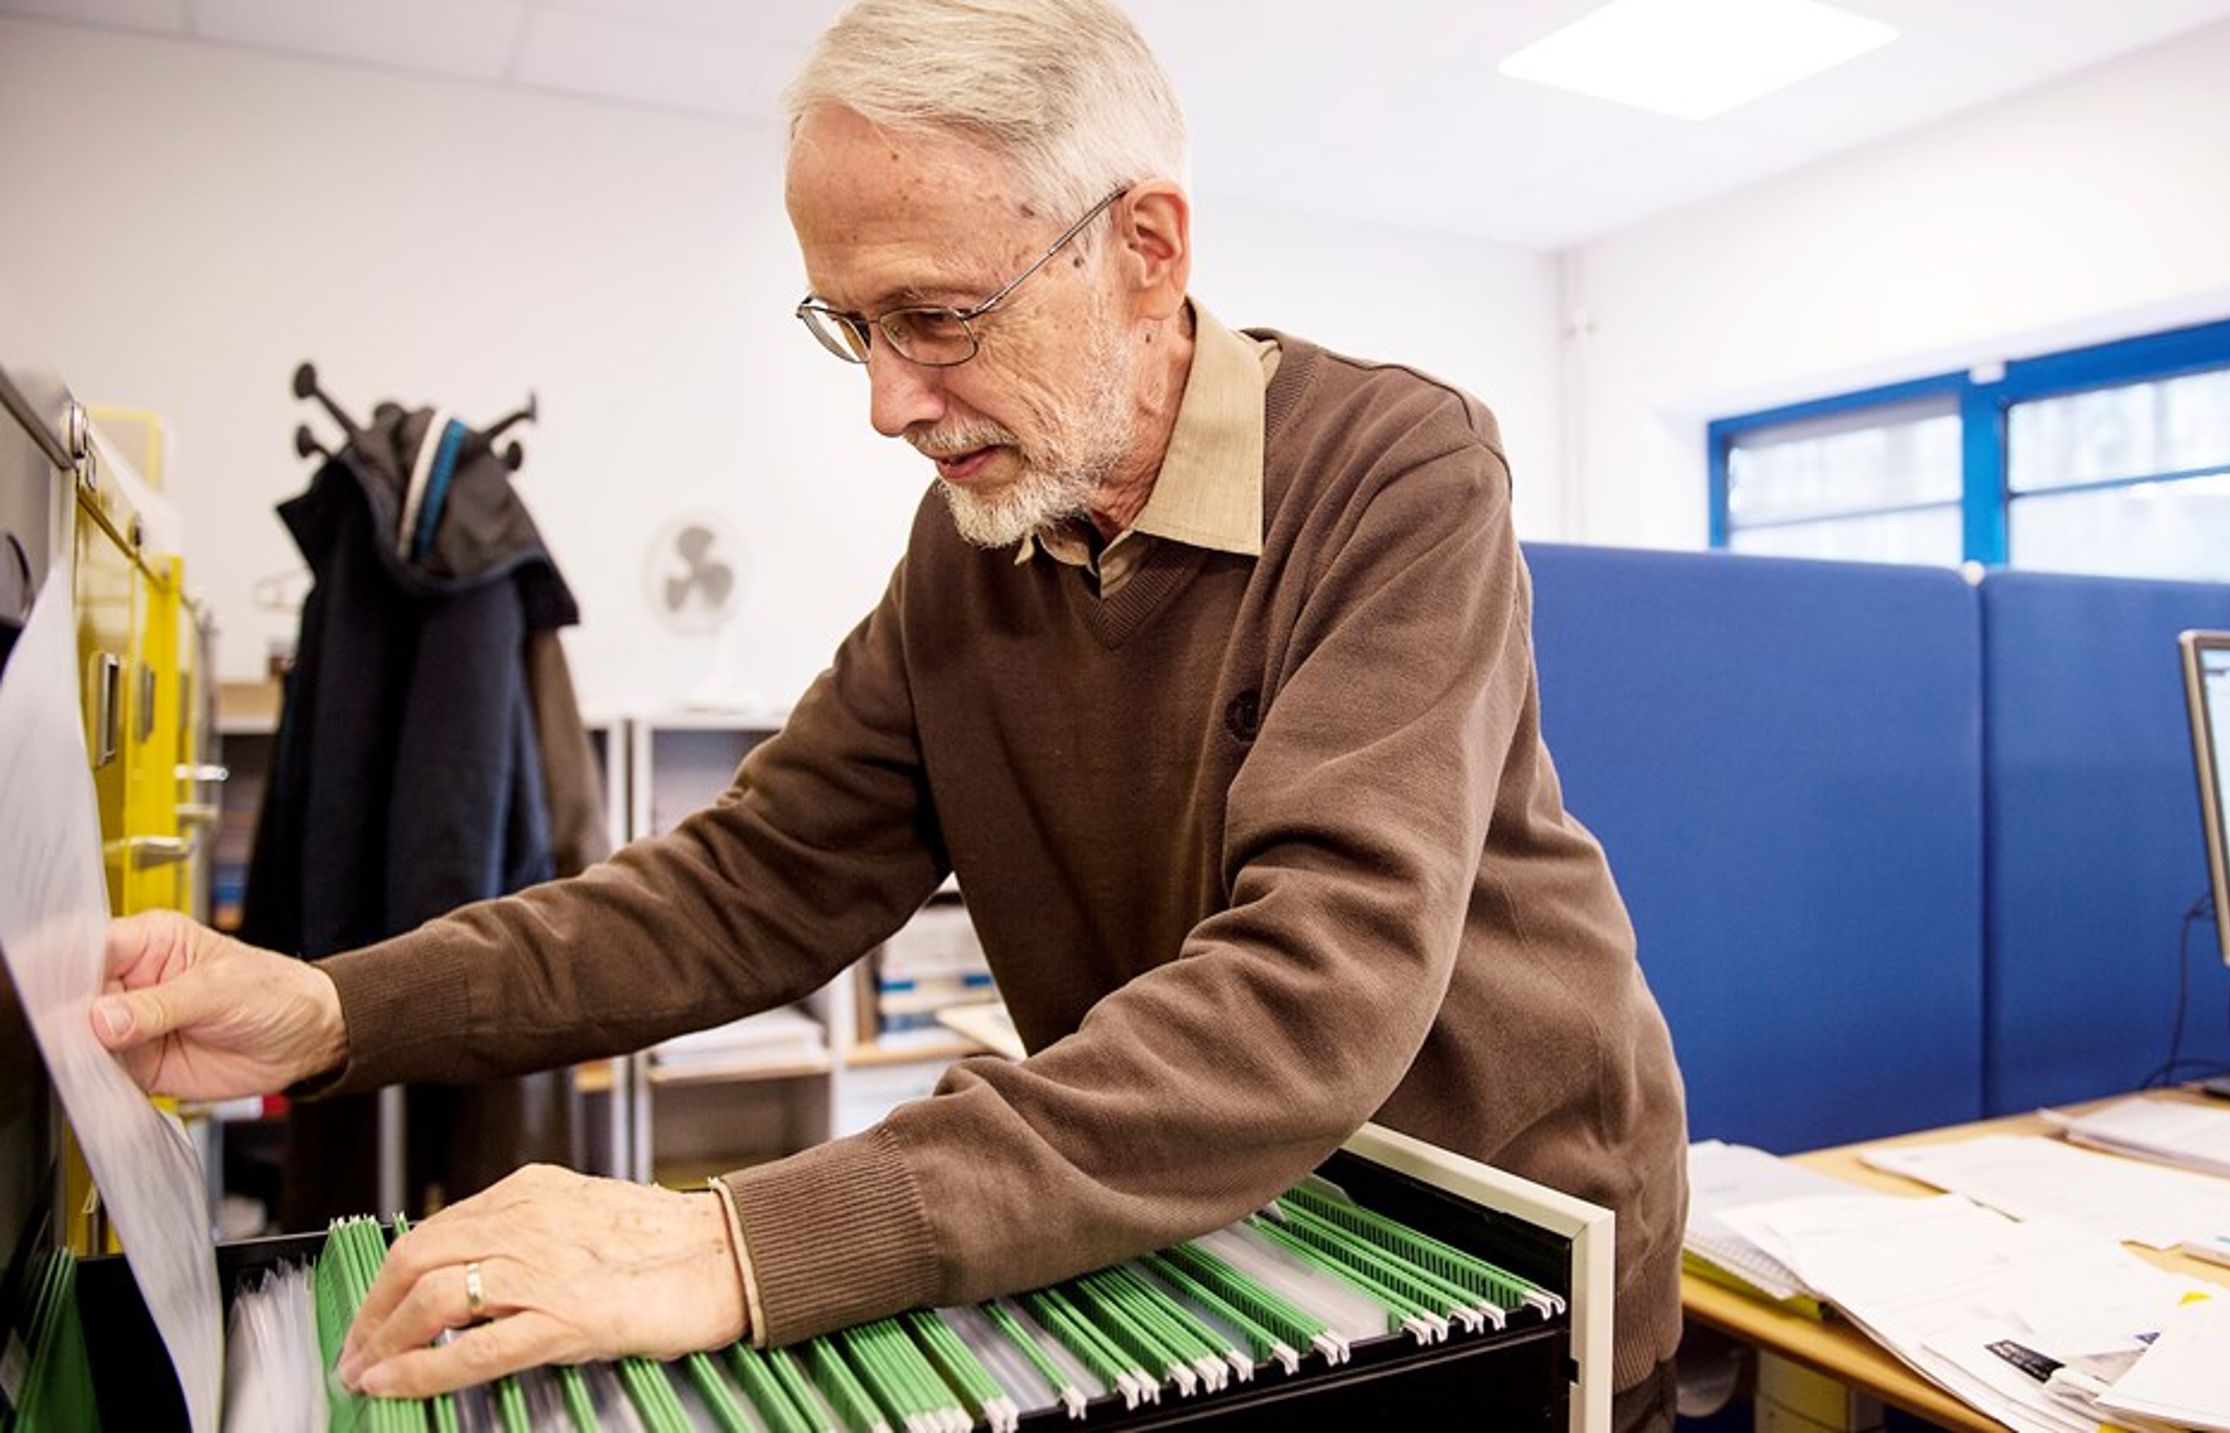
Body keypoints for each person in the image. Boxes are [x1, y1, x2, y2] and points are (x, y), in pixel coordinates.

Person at [92, 0, 1689, 1425]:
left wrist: (740, 1239)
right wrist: (332, 1007)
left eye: (937, 315)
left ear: (1144, 248)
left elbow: (1311, 991)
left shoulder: (1397, 472)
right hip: (1211, 1207)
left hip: (1488, 1218)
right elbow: (745, 884)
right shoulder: (972, 549)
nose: (886, 399)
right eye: (851, 326)